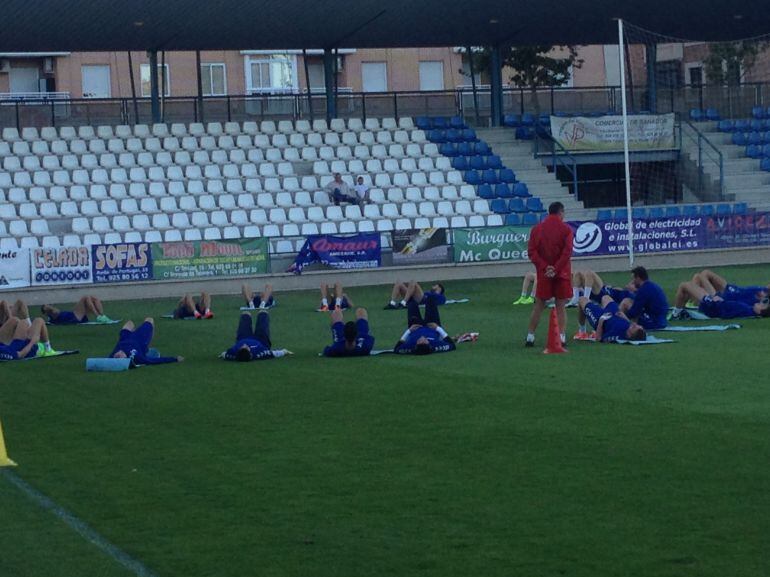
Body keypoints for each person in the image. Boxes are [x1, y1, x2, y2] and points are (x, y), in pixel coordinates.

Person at [525, 201, 573, 347]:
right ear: (561, 213)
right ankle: (562, 336)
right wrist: (556, 268)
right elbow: (567, 252)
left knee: (539, 304)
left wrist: (545, 267)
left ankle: (530, 336)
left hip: (544, 274)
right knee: (560, 305)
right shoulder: (566, 230)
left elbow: (532, 252)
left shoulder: (537, 229)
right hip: (561, 273)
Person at [671, 278, 770, 320]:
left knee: (684, 285)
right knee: (691, 283)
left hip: (714, 306)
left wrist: (716, 300)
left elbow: (725, 312)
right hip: (717, 303)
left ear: (761, 311)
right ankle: (681, 310)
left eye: (764, 303)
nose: (761, 302)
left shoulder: (746, 310)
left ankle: (676, 313)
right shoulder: (749, 308)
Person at [222, 311, 293, 361]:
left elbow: (225, 354)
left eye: (242, 347)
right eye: (246, 347)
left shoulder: (233, 353)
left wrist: (222, 355)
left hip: (243, 337)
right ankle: (262, 312)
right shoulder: (259, 354)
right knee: (263, 313)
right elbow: (273, 353)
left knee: (245, 314)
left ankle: (248, 314)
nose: (244, 345)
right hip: (261, 340)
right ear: (251, 354)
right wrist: (284, 351)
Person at [109, 318, 183, 365]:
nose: (119, 354)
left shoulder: (111, 356)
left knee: (129, 323)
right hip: (139, 338)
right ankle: (147, 347)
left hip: (125, 337)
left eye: (117, 356)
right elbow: (154, 361)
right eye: (120, 357)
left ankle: (146, 346)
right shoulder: (136, 357)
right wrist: (174, 359)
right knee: (149, 320)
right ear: (126, 358)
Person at [576, 296, 647, 343]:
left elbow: (599, 338)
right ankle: (595, 306)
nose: (634, 324)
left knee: (582, 300)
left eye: (634, 327)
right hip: (615, 314)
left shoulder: (616, 335)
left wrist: (601, 321)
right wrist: (624, 317)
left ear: (629, 335)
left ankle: (582, 331)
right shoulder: (629, 329)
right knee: (605, 297)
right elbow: (629, 324)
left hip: (600, 317)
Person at [693, 269, 769, 304]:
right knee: (702, 275)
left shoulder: (763, 300)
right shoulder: (765, 290)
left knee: (700, 276)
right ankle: (695, 301)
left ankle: (709, 299)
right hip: (734, 289)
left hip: (731, 295)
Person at [41, 296, 112, 325]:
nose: (48, 305)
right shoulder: (52, 315)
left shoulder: (52, 313)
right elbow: (55, 312)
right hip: (73, 317)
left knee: (94, 299)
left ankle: (103, 316)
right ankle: (98, 317)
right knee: (85, 298)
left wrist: (48, 306)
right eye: (46, 306)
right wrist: (48, 308)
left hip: (74, 315)